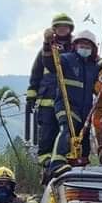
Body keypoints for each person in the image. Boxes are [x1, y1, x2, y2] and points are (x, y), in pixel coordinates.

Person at [42, 28, 101, 179]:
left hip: (85, 111)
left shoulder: (93, 67)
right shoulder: (66, 59)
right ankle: (56, 164)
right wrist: (47, 45)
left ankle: (80, 165)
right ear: (75, 45)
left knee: (83, 141)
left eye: (88, 46)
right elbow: (50, 63)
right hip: (66, 105)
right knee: (67, 130)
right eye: (82, 44)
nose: (85, 48)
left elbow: (100, 79)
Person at [29, 13, 75, 170]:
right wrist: (31, 97)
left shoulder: (76, 49)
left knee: (68, 132)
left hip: (69, 102)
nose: (62, 30)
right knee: (48, 133)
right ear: (54, 30)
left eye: (65, 27)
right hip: (47, 101)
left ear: (70, 29)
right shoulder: (45, 50)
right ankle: (47, 162)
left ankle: (66, 160)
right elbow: (36, 75)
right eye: (59, 27)